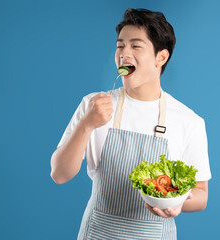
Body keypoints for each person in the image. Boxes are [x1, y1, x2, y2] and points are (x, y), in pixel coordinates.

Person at [50, 8, 211, 240]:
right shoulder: (93, 105)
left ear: (161, 57)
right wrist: (86, 125)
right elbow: (59, 174)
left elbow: (201, 194)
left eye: (135, 46)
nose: (124, 53)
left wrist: (178, 204)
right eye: (120, 45)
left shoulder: (188, 121)